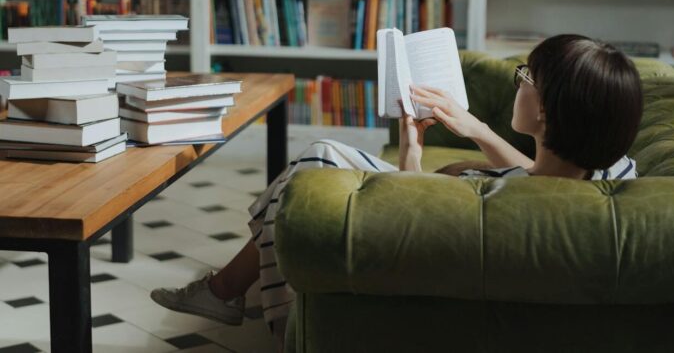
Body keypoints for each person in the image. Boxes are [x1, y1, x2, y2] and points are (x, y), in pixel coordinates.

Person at [150, 34, 643, 350]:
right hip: (451, 200)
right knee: (317, 161)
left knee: (315, 163)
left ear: (546, 112)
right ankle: (228, 289)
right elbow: (546, 177)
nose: (519, 83)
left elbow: (409, 214)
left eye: (527, 77)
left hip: (415, 218)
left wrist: (411, 150)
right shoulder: (615, 174)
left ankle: (262, 315)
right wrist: (476, 131)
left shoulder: (498, 202)